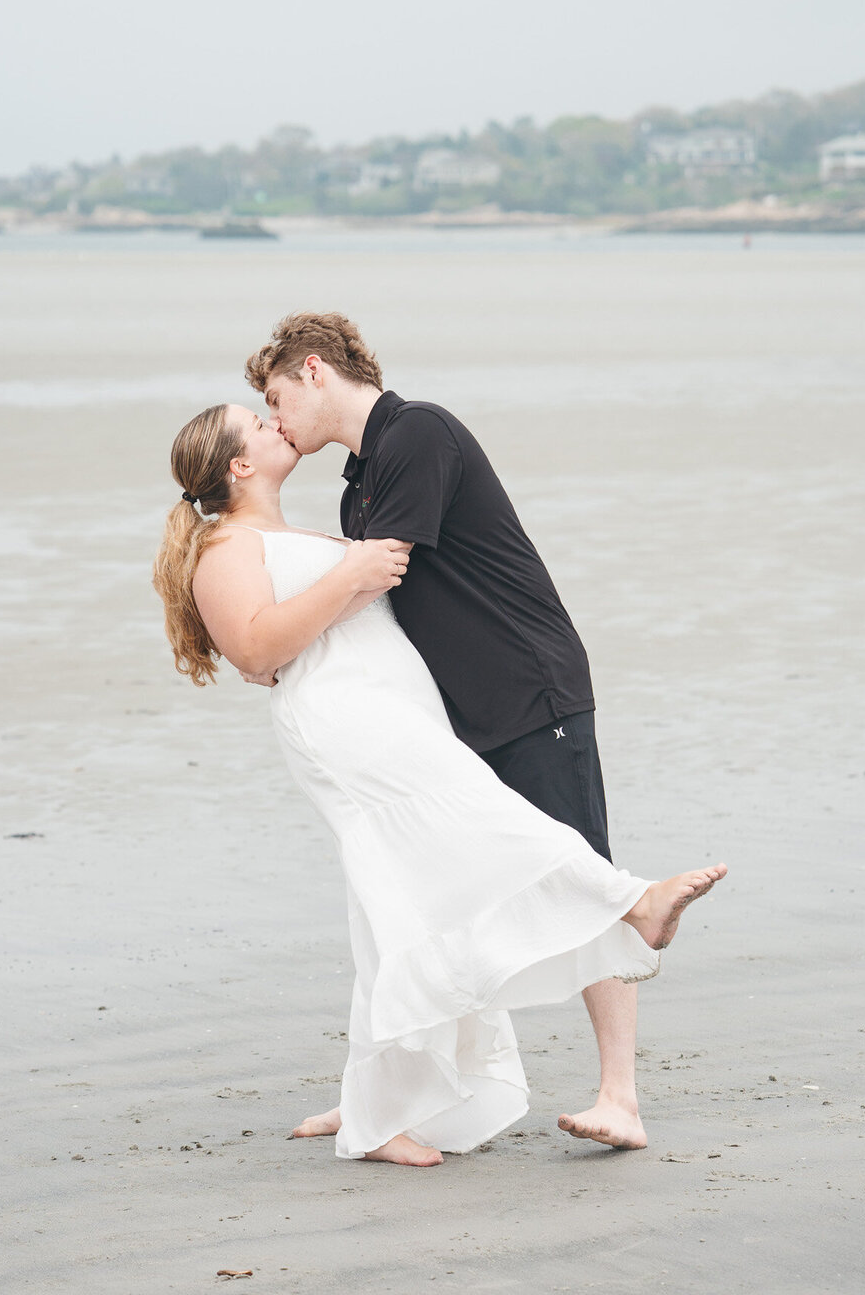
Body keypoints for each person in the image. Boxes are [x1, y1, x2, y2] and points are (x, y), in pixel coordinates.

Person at [153, 395, 726, 1167]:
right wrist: (351, 572)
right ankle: (631, 901)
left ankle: (381, 1106)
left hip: (396, 710)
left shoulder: (290, 531)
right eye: (256, 423)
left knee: (400, 898)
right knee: (477, 820)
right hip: (348, 721)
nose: (272, 421)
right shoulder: (227, 547)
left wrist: (352, 576)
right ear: (239, 464)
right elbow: (256, 654)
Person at [245, 312, 687, 1151]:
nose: (276, 421)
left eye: (275, 398)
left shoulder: (417, 433)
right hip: (462, 714)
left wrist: (272, 645)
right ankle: (384, 1090)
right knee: (416, 895)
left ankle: (621, 1096)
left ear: (313, 371)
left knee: (583, 873)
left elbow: (378, 573)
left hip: (530, 691)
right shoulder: (358, 479)